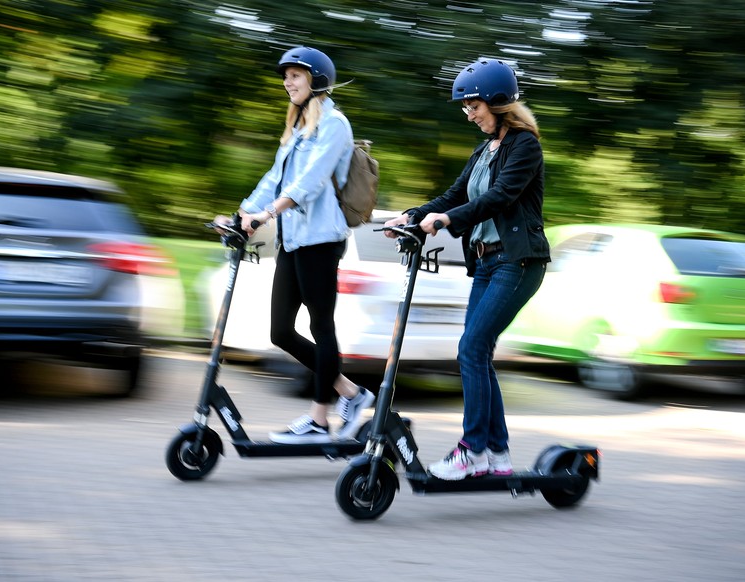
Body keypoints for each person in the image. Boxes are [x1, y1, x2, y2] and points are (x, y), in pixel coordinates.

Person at [384, 58, 549, 480]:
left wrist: (446, 221)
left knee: (471, 349)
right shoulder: (483, 149)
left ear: (497, 101)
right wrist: (413, 215)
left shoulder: (524, 145)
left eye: (474, 105)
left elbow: (500, 196)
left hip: (518, 260)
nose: (470, 114)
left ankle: (472, 449)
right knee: (478, 352)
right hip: (487, 261)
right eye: (467, 107)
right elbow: (455, 193)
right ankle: (496, 453)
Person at [215, 46, 374, 444]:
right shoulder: (298, 129)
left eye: (295, 75)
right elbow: (274, 178)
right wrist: (240, 216)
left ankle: (320, 420)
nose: (287, 81)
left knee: (322, 325)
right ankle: (351, 394)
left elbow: (311, 183)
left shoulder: (334, 124)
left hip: (321, 239)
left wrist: (266, 215)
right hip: (293, 239)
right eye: (285, 76)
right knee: (281, 332)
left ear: (316, 80)